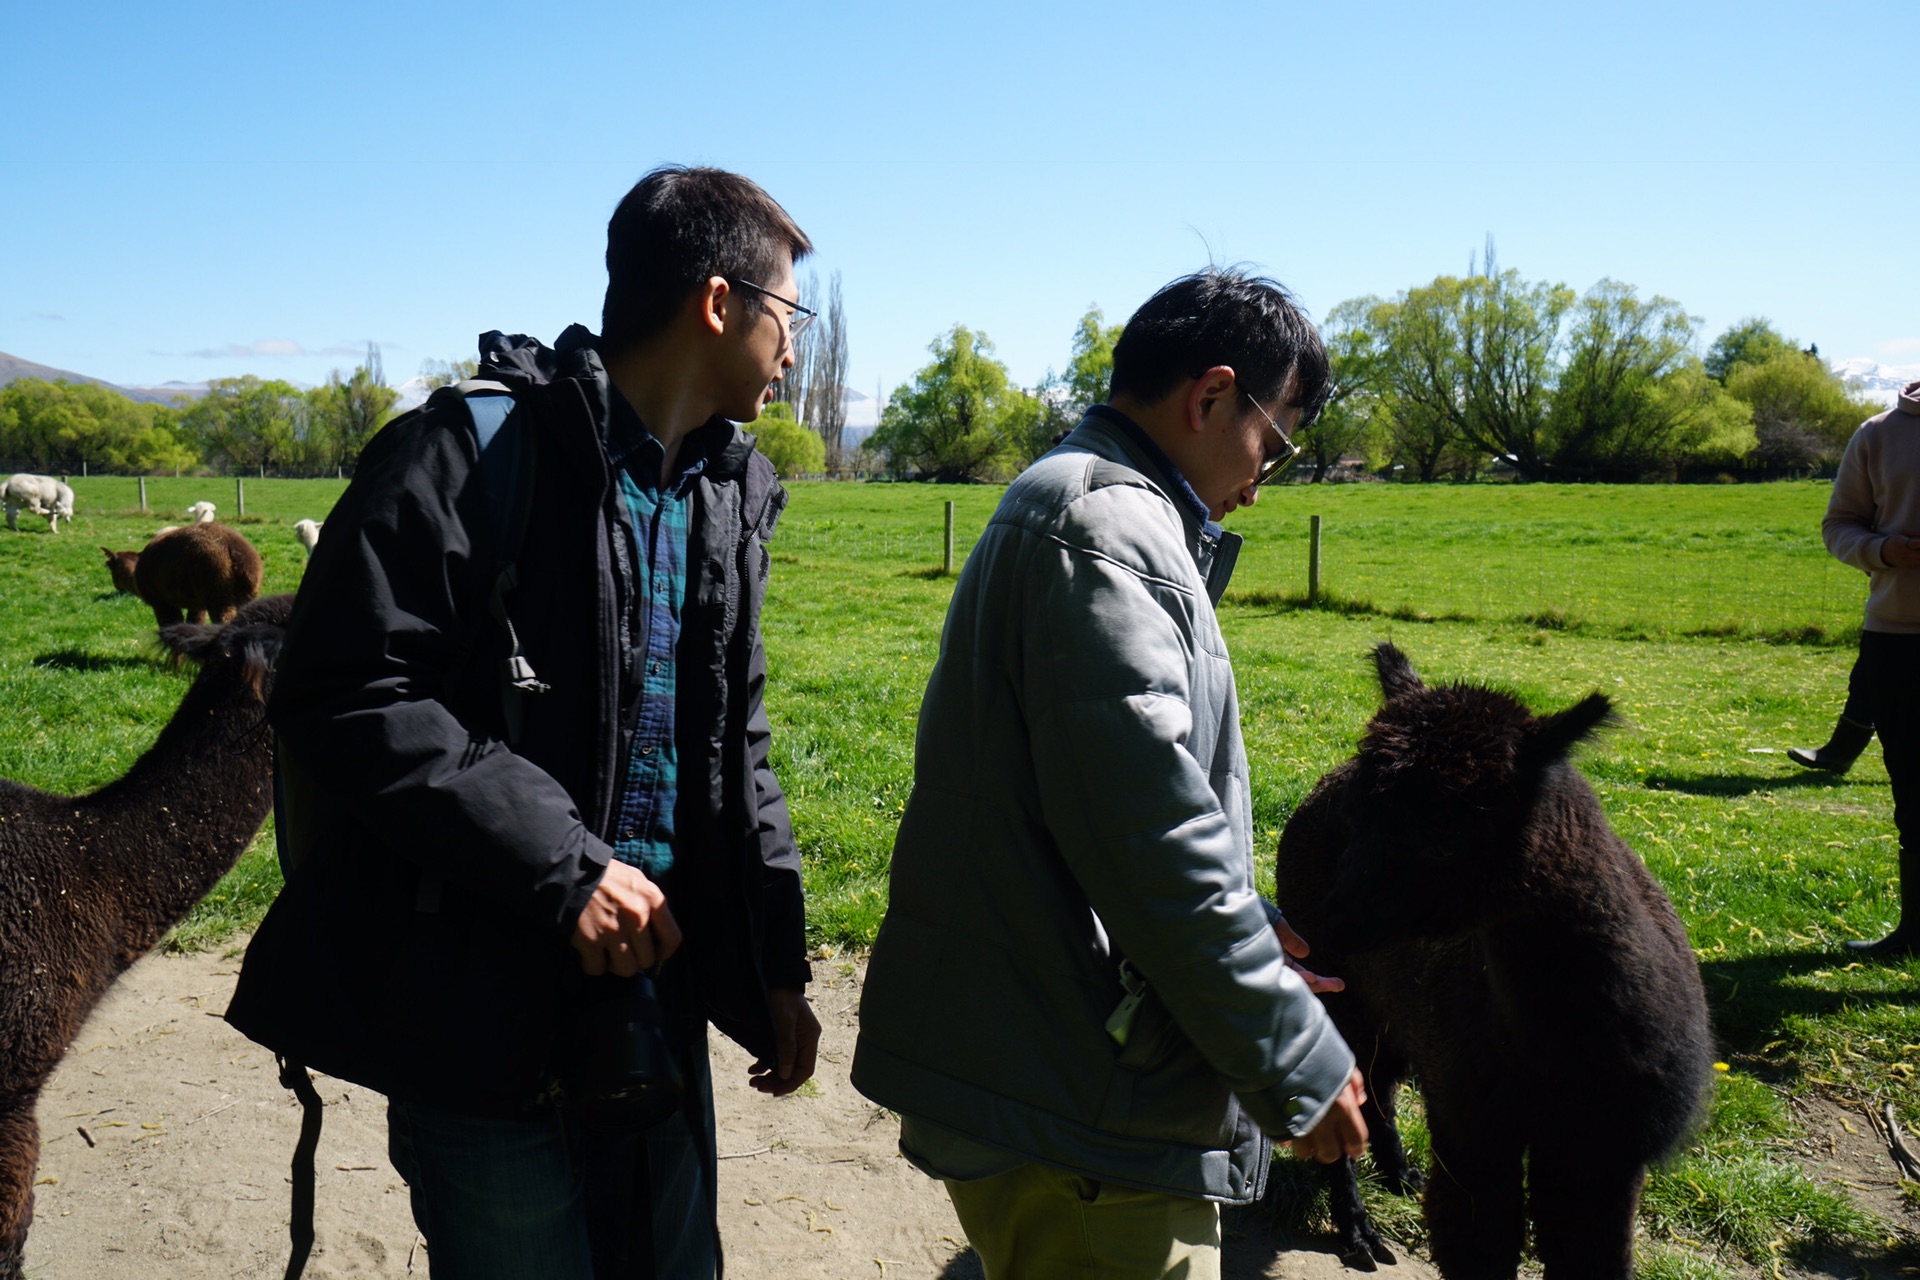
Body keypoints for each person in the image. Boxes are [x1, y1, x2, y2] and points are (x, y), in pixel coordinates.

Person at [226, 165, 821, 1278]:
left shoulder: (725, 494)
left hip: (658, 992)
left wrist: (774, 967)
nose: (794, 347)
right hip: (477, 1002)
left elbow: (736, 741)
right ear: (717, 302)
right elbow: (347, 688)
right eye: (788, 314)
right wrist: (563, 865)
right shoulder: (466, 454)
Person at [851, 269, 1368, 1279]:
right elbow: (1154, 842)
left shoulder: (1082, 504)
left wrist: (1241, 919)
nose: (1263, 479)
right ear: (1210, 396)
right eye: (1275, 439)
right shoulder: (1109, 530)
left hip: (1057, 1065)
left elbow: (1105, 803)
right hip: (1083, 1100)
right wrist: (1295, 1057)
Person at [1822, 378, 1920, 956]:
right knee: (1913, 786)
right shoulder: (1879, 434)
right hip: (1899, 638)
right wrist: (1884, 551)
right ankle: (1915, 933)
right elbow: (1840, 524)